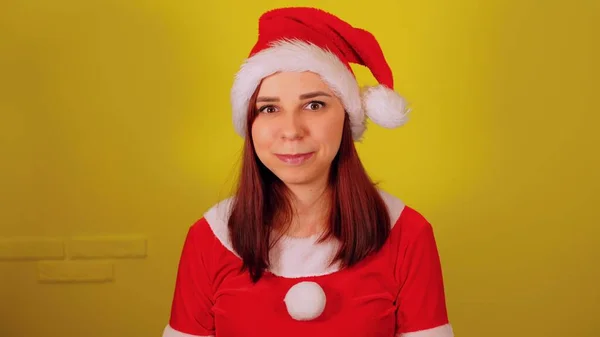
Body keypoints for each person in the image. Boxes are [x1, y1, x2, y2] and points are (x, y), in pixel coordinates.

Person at [163, 7, 454, 337]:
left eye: (314, 105)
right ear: (250, 123)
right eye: (269, 108)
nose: (291, 130)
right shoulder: (209, 239)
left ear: (346, 115)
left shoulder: (407, 235)